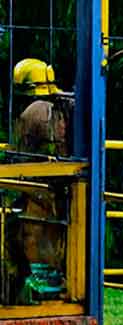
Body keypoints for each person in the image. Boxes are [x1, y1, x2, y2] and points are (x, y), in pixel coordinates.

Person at [5, 58, 75, 304]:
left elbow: (19, 157)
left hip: (36, 192)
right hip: (65, 190)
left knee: (21, 237)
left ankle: (31, 293)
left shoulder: (32, 113)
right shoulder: (66, 106)